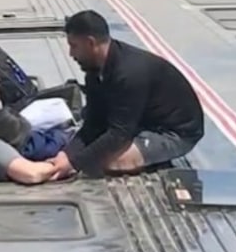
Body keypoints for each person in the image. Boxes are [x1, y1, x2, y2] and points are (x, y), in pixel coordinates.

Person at [49, 10, 204, 178]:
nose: (71, 54)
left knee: (108, 162)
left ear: (90, 43)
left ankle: (152, 159)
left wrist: (74, 164)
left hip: (175, 132)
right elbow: (93, 124)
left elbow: (119, 133)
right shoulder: (94, 71)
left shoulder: (129, 74)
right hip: (140, 121)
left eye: (74, 46)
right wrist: (66, 154)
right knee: (89, 154)